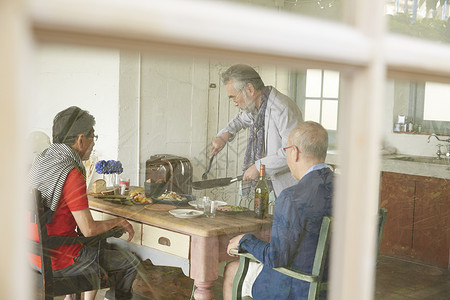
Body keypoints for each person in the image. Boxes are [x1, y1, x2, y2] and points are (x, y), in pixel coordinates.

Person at [29, 106, 139, 300]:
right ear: (81, 139)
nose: (93, 144)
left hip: (31, 256)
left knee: (90, 245)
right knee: (130, 262)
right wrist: (118, 221)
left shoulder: (42, 162)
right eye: (92, 137)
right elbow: (88, 230)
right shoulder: (71, 173)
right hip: (58, 261)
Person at [222, 121, 333, 300]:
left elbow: (276, 258)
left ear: (294, 152)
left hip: (298, 287)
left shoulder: (292, 197)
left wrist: (245, 240)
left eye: (286, 150)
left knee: (232, 270)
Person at [210, 64, 303, 198]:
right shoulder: (257, 107)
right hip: (270, 186)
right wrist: (223, 137)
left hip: (289, 188)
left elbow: (292, 151)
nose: (235, 103)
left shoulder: (282, 109)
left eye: (234, 97)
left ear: (250, 89)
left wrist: (259, 167)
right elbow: (240, 120)